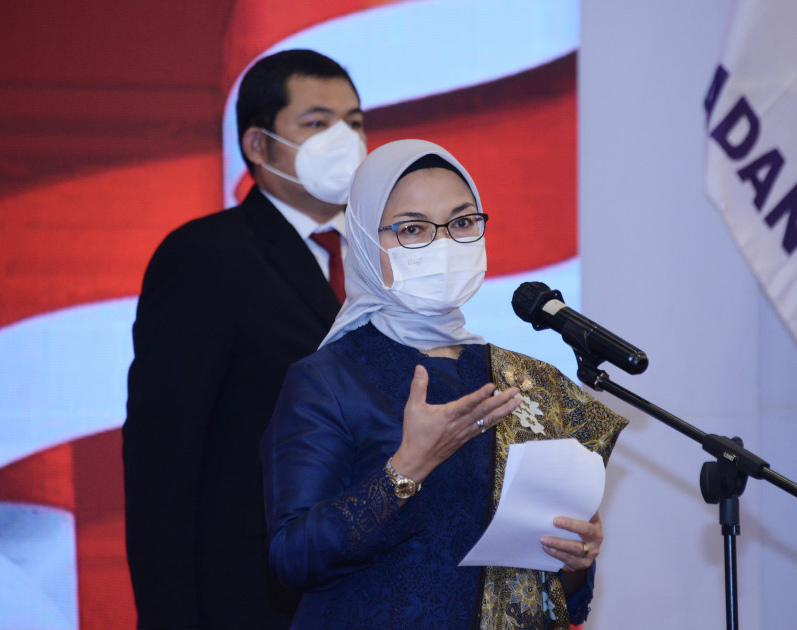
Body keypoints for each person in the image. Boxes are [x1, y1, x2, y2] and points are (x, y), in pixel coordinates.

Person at [260, 139, 629, 628]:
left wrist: (574, 560)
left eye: (461, 223)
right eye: (413, 229)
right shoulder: (328, 380)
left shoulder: (523, 381)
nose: (444, 244)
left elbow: (545, 591)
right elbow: (292, 558)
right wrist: (407, 468)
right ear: (366, 242)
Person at [123, 49, 366, 630]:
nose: (345, 140)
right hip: (253, 598)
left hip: (373, 588)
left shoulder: (385, 258)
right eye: (317, 122)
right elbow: (163, 461)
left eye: (355, 123)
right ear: (258, 145)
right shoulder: (205, 257)